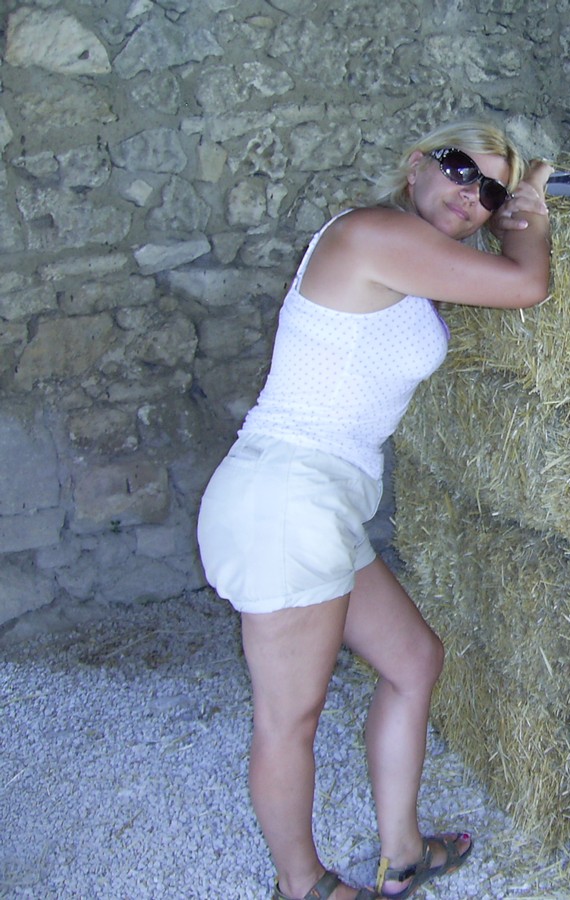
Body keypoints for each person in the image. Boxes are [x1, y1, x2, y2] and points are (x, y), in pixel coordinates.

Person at [197, 119, 552, 900]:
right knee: (290, 718)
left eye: (493, 192)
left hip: (317, 506)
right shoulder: (372, 233)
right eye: (460, 169)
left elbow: (484, 277)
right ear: (416, 164)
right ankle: (303, 886)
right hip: (283, 501)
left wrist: (513, 213)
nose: (473, 194)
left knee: (414, 661)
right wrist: (531, 218)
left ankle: (403, 855)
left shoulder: (409, 255)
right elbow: (526, 285)